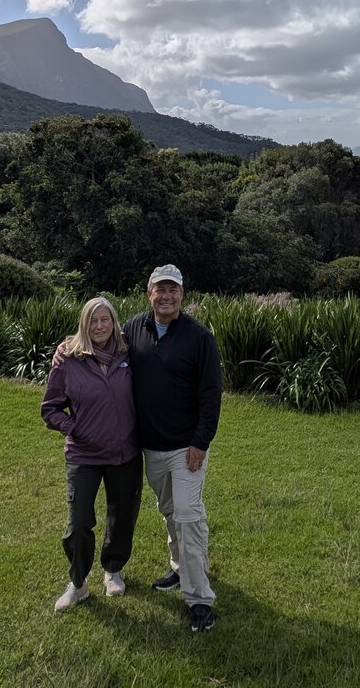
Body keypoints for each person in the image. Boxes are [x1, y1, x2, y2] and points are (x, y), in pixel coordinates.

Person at [125, 264, 223, 632]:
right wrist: (67, 347)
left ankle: (199, 599)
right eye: (159, 289)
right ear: (148, 293)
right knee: (168, 510)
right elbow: (99, 344)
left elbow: (212, 395)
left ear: (182, 294)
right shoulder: (135, 328)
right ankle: (180, 569)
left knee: (187, 515)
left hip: (187, 449)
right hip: (151, 448)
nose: (166, 296)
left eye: (173, 290)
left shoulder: (199, 337)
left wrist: (200, 444)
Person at [39, 296, 141, 613]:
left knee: (122, 516)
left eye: (105, 319)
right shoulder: (68, 357)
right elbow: (50, 408)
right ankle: (79, 583)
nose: (99, 326)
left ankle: (112, 569)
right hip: (84, 453)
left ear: (114, 322)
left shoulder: (128, 354)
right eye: (93, 320)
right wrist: (74, 427)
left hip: (125, 451)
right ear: (85, 323)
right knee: (79, 521)